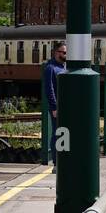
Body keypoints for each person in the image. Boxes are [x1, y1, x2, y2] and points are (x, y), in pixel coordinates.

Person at [43, 42, 66, 171]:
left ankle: (62, 159)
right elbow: (49, 89)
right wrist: (54, 107)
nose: (65, 55)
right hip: (57, 107)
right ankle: (56, 162)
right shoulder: (51, 68)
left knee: (63, 132)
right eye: (63, 52)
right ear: (56, 52)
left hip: (65, 106)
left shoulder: (63, 67)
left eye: (66, 52)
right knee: (57, 133)